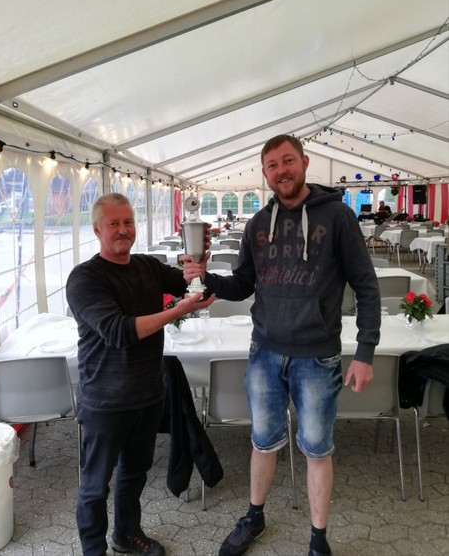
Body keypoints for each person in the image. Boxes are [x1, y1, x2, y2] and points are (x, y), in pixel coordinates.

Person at [183, 135, 381, 556]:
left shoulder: (339, 217)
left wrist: (365, 352)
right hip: (265, 353)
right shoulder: (258, 224)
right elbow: (243, 284)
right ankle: (254, 517)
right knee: (262, 441)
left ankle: (318, 540)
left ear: (304, 162)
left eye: (288, 161)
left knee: (317, 449)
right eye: (272, 165)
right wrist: (206, 279)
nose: (281, 171)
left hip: (317, 356)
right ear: (265, 173)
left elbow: (366, 286)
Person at [66, 193, 213, 556]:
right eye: (114, 223)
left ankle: (126, 534)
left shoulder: (147, 266)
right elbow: (118, 331)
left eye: (128, 222)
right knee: (95, 485)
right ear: (97, 229)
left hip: (148, 393)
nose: (123, 230)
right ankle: (93, 550)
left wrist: (198, 267)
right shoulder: (85, 278)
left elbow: (189, 285)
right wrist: (176, 310)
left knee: (135, 472)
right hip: (105, 399)